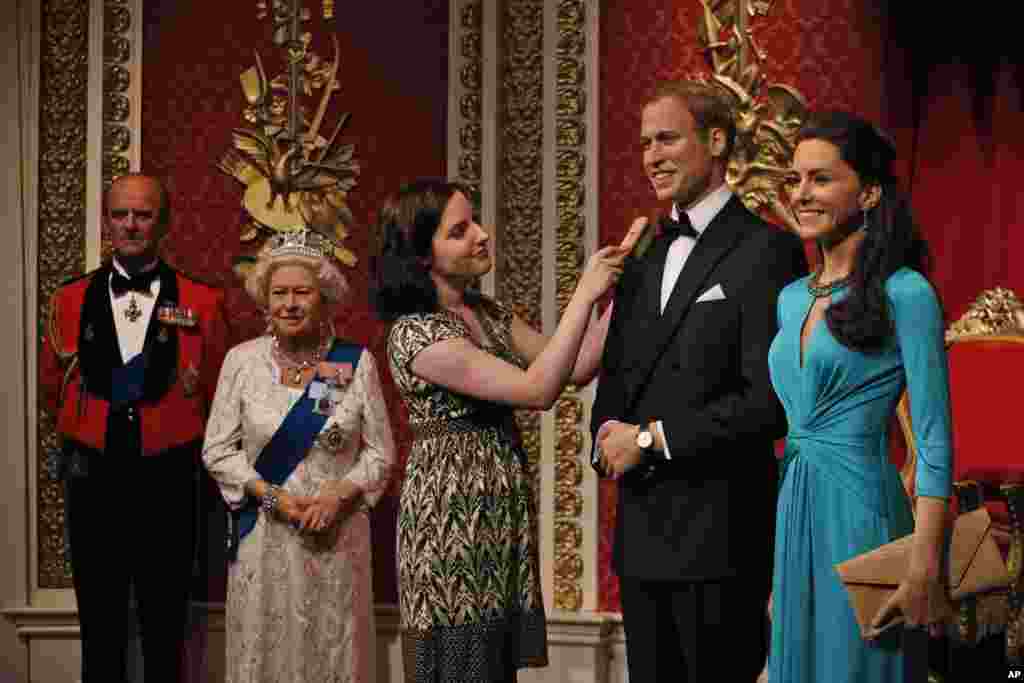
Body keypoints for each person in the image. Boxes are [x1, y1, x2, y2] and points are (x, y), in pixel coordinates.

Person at [373, 179, 638, 683]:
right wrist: (583, 291)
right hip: (449, 526)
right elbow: (537, 390)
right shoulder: (415, 332)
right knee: (457, 668)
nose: (481, 234)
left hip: (498, 517)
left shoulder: (486, 312)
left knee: (494, 670)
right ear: (421, 255)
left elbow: (576, 365)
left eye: (475, 220)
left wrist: (623, 288)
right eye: (459, 230)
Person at [591, 80, 808, 682]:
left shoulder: (768, 251)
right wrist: (605, 435)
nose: (651, 156)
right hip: (641, 542)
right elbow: (615, 387)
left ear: (715, 142)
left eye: (667, 139)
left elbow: (767, 404)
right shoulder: (641, 259)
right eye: (643, 143)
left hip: (721, 538)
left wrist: (647, 440)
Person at [767, 111, 952, 681]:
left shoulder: (907, 294)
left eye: (821, 179)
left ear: (868, 192)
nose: (801, 194)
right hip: (794, 504)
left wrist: (924, 561)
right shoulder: (791, 298)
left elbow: (934, 442)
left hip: (863, 515)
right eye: (795, 180)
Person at [39, 174, 230, 683]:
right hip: (93, 474)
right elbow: (50, 388)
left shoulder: (202, 301)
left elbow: (218, 393)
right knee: (99, 621)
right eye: (121, 214)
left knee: (165, 622)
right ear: (106, 221)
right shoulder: (68, 299)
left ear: (162, 223)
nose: (131, 224)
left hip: (170, 476)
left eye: (143, 215)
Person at [201, 228, 396, 683]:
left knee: (332, 650)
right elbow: (217, 450)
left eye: (302, 292)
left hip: (338, 535)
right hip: (265, 535)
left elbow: (381, 454)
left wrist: (340, 495)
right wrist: (273, 498)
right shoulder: (242, 362)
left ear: (324, 298)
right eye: (279, 293)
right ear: (265, 301)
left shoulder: (350, 363)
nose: (290, 303)